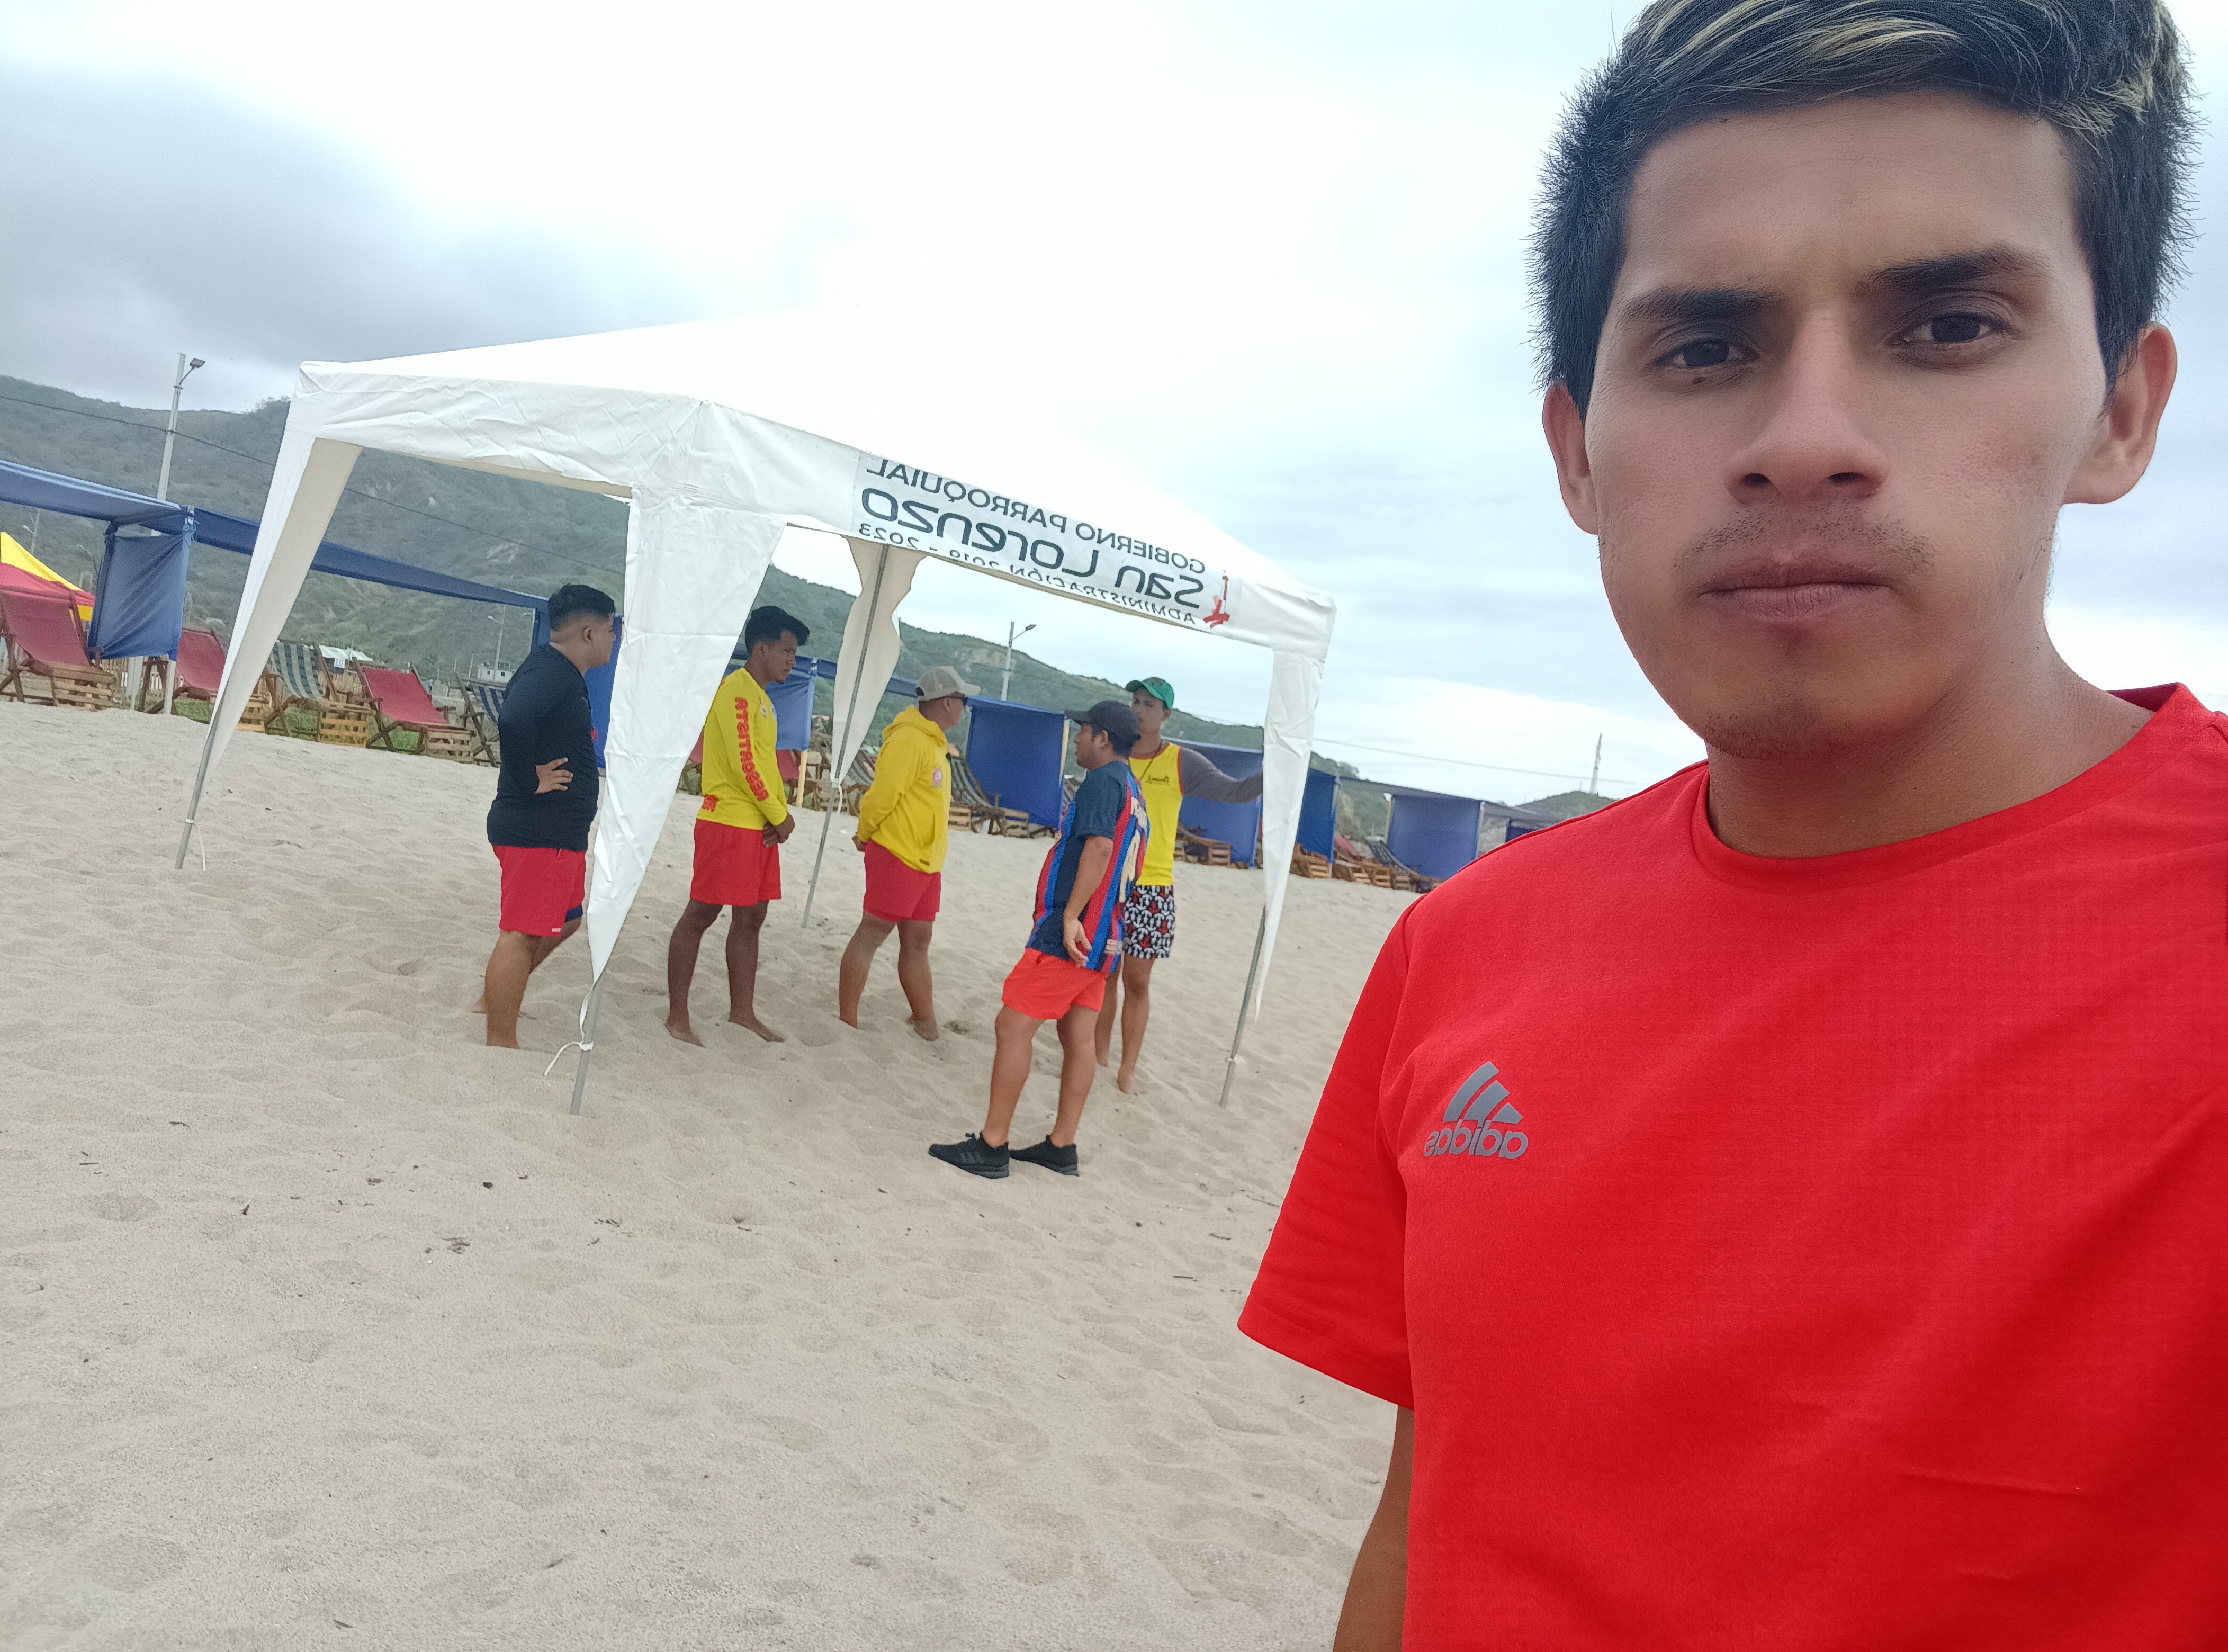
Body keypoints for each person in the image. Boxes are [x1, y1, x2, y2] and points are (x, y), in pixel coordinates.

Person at [1241, 3, 2220, 1647]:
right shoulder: (1464, 947)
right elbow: (1430, 1518)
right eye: (1704, 348)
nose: (1803, 440)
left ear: (2119, 410)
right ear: (1577, 452)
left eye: (1949, 325)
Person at [929, 701, 1148, 1179]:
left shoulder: (1103, 782)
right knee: (1078, 1037)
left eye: (1082, 730)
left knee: (1012, 1026)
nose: (1077, 739)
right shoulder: (1134, 789)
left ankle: (992, 1143)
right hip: (1105, 935)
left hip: (1074, 934)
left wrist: (1070, 916)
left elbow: (1100, 847)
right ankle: (1062, 1145)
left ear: (1103, 738)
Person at [1094, 675, 1263, 1091]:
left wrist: (1278, 770)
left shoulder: (1181, 762)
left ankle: (1128, 1067)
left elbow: (1236, 792)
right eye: (1135, 702)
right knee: (1103, 974)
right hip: (1107, 881)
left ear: (1166, 715)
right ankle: (1097, 1056)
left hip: (1153, 886)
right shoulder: (1112, 751)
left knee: (1138, 981)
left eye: (1149, 705)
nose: (1139, 710)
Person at [478, 583, 616, 1048]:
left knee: (568, 920)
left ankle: (498, 994)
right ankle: (500, 1038)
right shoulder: (552, 672)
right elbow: (513, 718)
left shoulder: (558, 671)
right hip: (538, 829)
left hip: (559, 831)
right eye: (610, 631)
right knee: (520, 934)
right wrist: (527, 779)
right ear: (589, 633)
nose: (613, 640)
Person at [664, 605, 808, 1045]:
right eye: (786, 651)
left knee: (753, 916)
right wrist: (779, 815)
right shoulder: (736, 692)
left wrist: (776, 815)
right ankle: (677, 1015)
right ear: (761, 649)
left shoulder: (763, 699)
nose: (792, 660)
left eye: (794, 653)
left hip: (757, 825)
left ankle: (742, 1012)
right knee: (701, 913)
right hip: (728, 822)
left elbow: (767, 767)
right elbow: (746, 765)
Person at [839, 665, 978, 1039]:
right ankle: (846, 1020)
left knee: (918, 940)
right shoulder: (909, 740)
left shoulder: (934, 742)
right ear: (946, 702)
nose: (964, 707)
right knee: (872, 932)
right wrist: (864, 834)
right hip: (897, 854)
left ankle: (925, 1021)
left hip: (926, 862)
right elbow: (881, 797)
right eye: (962, 700)